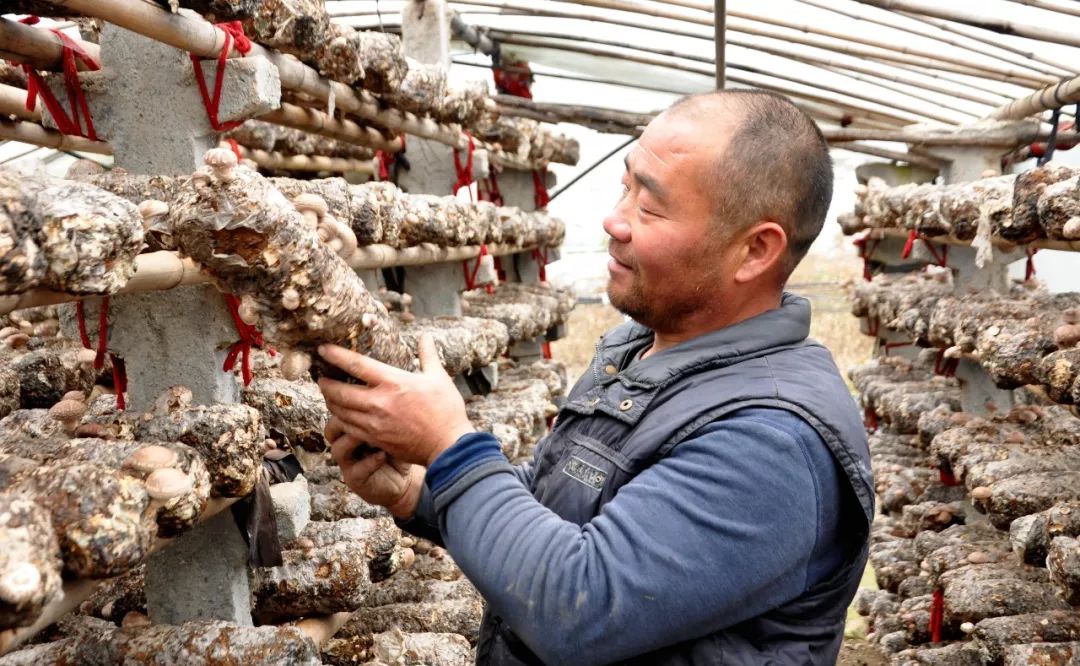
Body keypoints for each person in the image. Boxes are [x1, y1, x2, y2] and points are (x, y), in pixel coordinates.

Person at [317, 90, 875, 665]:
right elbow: (557, 502)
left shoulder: (773, 438)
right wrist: (420, 493)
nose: (615, 219)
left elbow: (579, 605)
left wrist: (450, 447)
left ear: (756, 250)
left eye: (651, 207)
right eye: (625, 185)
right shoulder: (638, 349)